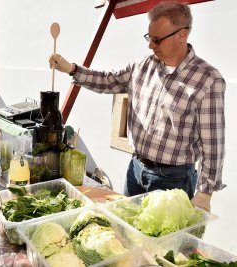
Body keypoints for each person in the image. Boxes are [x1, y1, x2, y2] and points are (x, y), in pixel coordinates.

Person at [49, 2, 225, 212]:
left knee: (161, 243)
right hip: (135, 169)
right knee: (128, 234)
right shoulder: (142, 66)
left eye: (157, 39)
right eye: (149, 37)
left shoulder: (207, 79)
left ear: (182, 35)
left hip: (173, 181)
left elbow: (213, 144)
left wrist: (205, 193)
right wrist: (71, 69)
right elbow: (108, 81)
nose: (151, 45)